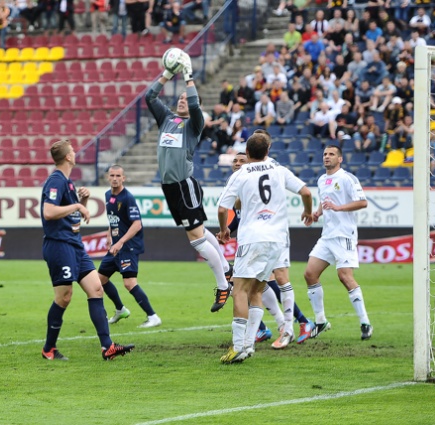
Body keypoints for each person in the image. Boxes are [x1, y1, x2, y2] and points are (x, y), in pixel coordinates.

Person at [146, 51, 233, 313]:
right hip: (170, 187)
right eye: (181, 98)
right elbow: (149, 97)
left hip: (185, 185)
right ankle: (228, 270)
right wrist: (167, 75)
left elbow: (195, 106)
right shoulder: (167, 120)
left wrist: (188, 77)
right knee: (199, 232)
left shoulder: (194, 124)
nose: (183, 100)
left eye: (187, 99)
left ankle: (222, 285)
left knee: (195, 239)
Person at [217, 133, 313, 363]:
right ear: (268, 150)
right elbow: (306, 192)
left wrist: (224, 230)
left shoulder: (241, 173)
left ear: (247, 153)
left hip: (252, 238)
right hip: (277, 240)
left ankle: (238, 345)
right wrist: (308, 211)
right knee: (256, 291)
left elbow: (222, 208)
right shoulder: (279, 169)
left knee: (238, 289)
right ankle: (249, 346)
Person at [40, 140, 135, 361]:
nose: (74, 153)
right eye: (72, 151)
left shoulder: (68, 183)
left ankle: (107, 347)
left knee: (96, 289)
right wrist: (78, 205)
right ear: (68, 158)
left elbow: (74, 224)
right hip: (59, 245)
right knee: (64, 297)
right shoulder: (55, 180)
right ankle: (49, 349)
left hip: (74, 244)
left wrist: (81, 200)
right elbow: (48, 212)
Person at [304, 145, 373, 341]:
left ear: (340, 159)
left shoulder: (347, 178)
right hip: (327, 236)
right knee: (310, 274)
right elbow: (324, 201)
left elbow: (362, 202)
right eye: (325, 154)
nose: (327, 157)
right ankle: (321, 321)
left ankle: (365, 322)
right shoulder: (321, 179)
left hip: (344, 235)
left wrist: (339, 207)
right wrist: (316, 213)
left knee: (345, 276)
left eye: (331, 154)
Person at [98, 165, 161, 328]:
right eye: (111, 175)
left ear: (123, 178)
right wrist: (109, 234)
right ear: (108, 177)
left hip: (128, 246)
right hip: (116, 247)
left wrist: (120, 242)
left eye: (118, 175)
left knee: (129, 283)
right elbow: (114, 218)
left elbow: (137, 224)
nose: (114, 178)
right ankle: (120, 309)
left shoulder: (128, 198)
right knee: (100, 279)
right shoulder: (107, 195)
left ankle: (153, 316)